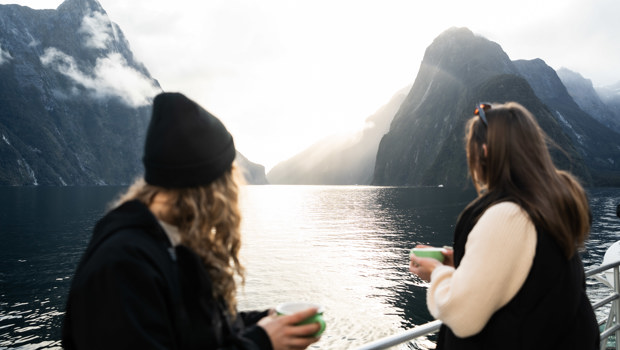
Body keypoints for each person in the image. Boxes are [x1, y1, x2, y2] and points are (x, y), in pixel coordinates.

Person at [62, 92, 322, 350]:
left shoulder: (172, 240)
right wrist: (262, 342)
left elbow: (200, 331)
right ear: (210, 190)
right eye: (229, 178)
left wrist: (266, 321)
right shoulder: (121, 265)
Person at [409, 102, 599, 349]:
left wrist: (436, 272)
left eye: (472, 150)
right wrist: (464, 264)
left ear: (485, 152)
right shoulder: (550, 207)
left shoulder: (508, 216)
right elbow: (531, 278)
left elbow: (460, 315)